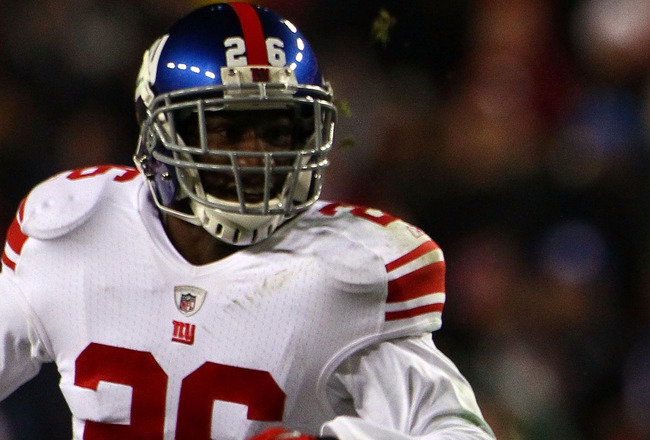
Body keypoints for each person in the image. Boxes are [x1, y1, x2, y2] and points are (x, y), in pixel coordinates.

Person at [0, 3, 495, 439]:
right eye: (227, 129)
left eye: (277, 130)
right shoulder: (74, 232)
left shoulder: (342, 276)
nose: (256, 155)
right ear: (160, 131)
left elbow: (457, 431)